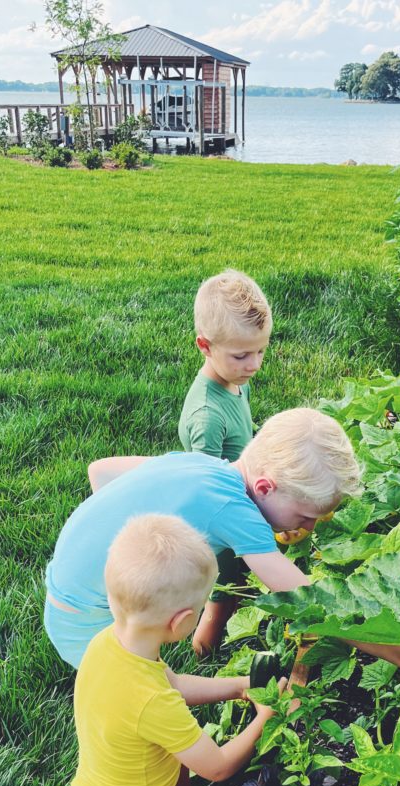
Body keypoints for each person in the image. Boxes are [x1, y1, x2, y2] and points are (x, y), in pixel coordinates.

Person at [44, 407, 400, 705]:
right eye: (306, 516)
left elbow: (99, 471)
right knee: (155, 697)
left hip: (62, 590)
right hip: (86, 622)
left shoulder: (200, 465)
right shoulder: (239, 512)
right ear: (266, 488)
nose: (307, 529)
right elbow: (310, 604)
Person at [71, 513, 286, 786]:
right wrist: (266, 716)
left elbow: (175, 684)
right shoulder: (152, 701)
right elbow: (219, 766)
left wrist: (239, 685)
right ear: (183, 621)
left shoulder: (105, 647)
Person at [178, 270, 272, 654]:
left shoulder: (234, 381)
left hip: (239, 500)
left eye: (261, 351)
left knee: (240, 586)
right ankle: (203, 653)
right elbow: (202, 487)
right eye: (242, 355)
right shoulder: (206, 415)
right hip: (220, 522)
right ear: (205, 346)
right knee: (223, 595)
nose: (254, 365)